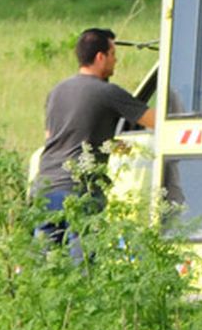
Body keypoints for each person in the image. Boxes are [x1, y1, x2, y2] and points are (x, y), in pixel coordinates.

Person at [32, 28, 154, 252]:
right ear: (100, 57)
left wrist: (112, 145)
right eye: (113, 54)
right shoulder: (107, 92)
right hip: (79, 189)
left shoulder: (57, 91)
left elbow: (55, 138)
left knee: (43, 266)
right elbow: (158, 121)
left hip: (45, 187)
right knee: (83, 263)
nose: (115, 61)